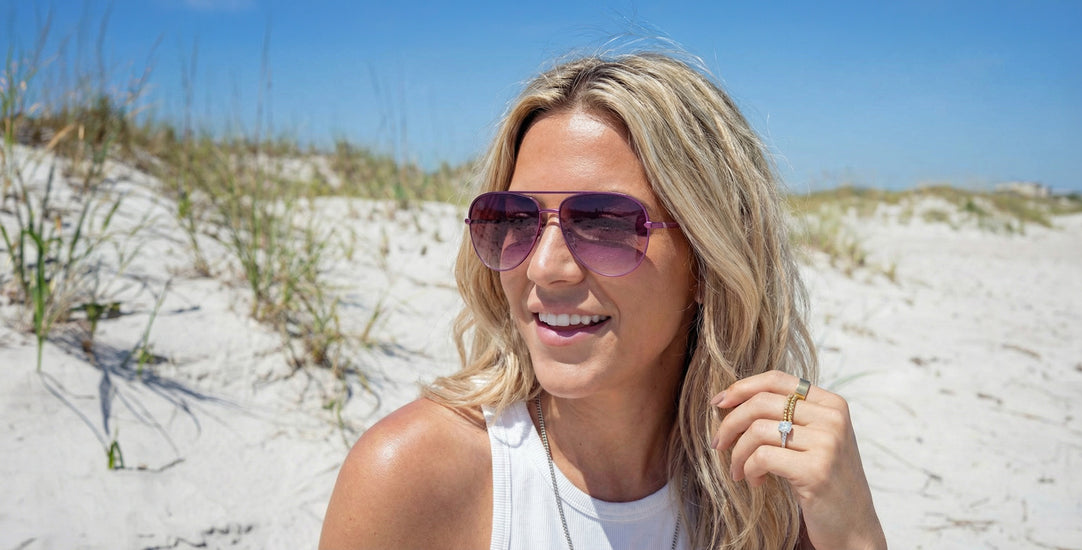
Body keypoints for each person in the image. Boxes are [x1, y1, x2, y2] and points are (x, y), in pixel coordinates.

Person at [319, 51, 886, 550]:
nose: (544, 267)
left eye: (603, 223)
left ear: (706, 258)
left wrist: (858, 536)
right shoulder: (413, 477)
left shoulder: (773, 489)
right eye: (514, 220)